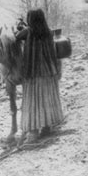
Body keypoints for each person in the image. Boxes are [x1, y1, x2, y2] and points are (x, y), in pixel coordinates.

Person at [15, 8, 64, 143]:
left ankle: (34, 130)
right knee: (47, 99)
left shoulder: (27, 32)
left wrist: (20, 27)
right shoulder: (48, 32)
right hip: (49, 71)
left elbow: (16, 37)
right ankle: (48, 126)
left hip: (34, 73)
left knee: (34, 101)